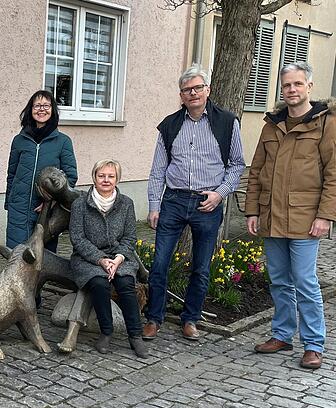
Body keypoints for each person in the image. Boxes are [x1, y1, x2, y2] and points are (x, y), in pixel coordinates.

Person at [144, 65, 245, 341]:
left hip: (207, 202)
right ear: (181, 95)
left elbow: (237, 165)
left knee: (201, 267)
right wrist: (154, 205)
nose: (193, 93)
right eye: (187, 90)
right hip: (174, 200)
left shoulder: (226, 122)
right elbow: (157, 170)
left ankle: (191, 319)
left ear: (207, 90)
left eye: (198, 88)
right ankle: (154, 318)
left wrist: (220, 193)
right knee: (159, 264)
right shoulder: (169, 125)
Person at [246, 61, 334, 370]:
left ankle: (313, 344)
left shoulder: (325, 123)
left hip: (305, 218)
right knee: (279, 280)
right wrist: (253, 210)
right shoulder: (272, 124)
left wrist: (325, 216)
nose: (292, 90)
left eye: (297, 84)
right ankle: (282, 334)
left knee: (305, 280)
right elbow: (256, 171)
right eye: (286, 85)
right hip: (272, 216)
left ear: (309, 86)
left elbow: (333, 174)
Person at [58, 160, 147, 358]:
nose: (106, 180)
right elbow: (77, 238)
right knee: (99, 283)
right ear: (94, 178)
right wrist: (100, 260)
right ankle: (106, 332)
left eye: (111, 176)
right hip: (88, 258)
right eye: (101, 176)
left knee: (125, 283)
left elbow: (130, 237)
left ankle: (135, 335)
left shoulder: (126, 204)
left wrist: (118, 259)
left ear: (117, 179)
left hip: (119, 257)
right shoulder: (80, 204)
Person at [5, 90, 78, 251]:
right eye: (37, 105)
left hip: (46, 208)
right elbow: (12, 174)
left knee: (43, 254)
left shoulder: (63, 142)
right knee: (16, 253)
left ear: (52, 110)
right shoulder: (19, 140)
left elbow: (70, 176)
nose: (41, 109)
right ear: (30, 110)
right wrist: (9, 202)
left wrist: (53, 201)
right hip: (19, 206)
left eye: (46, 105)